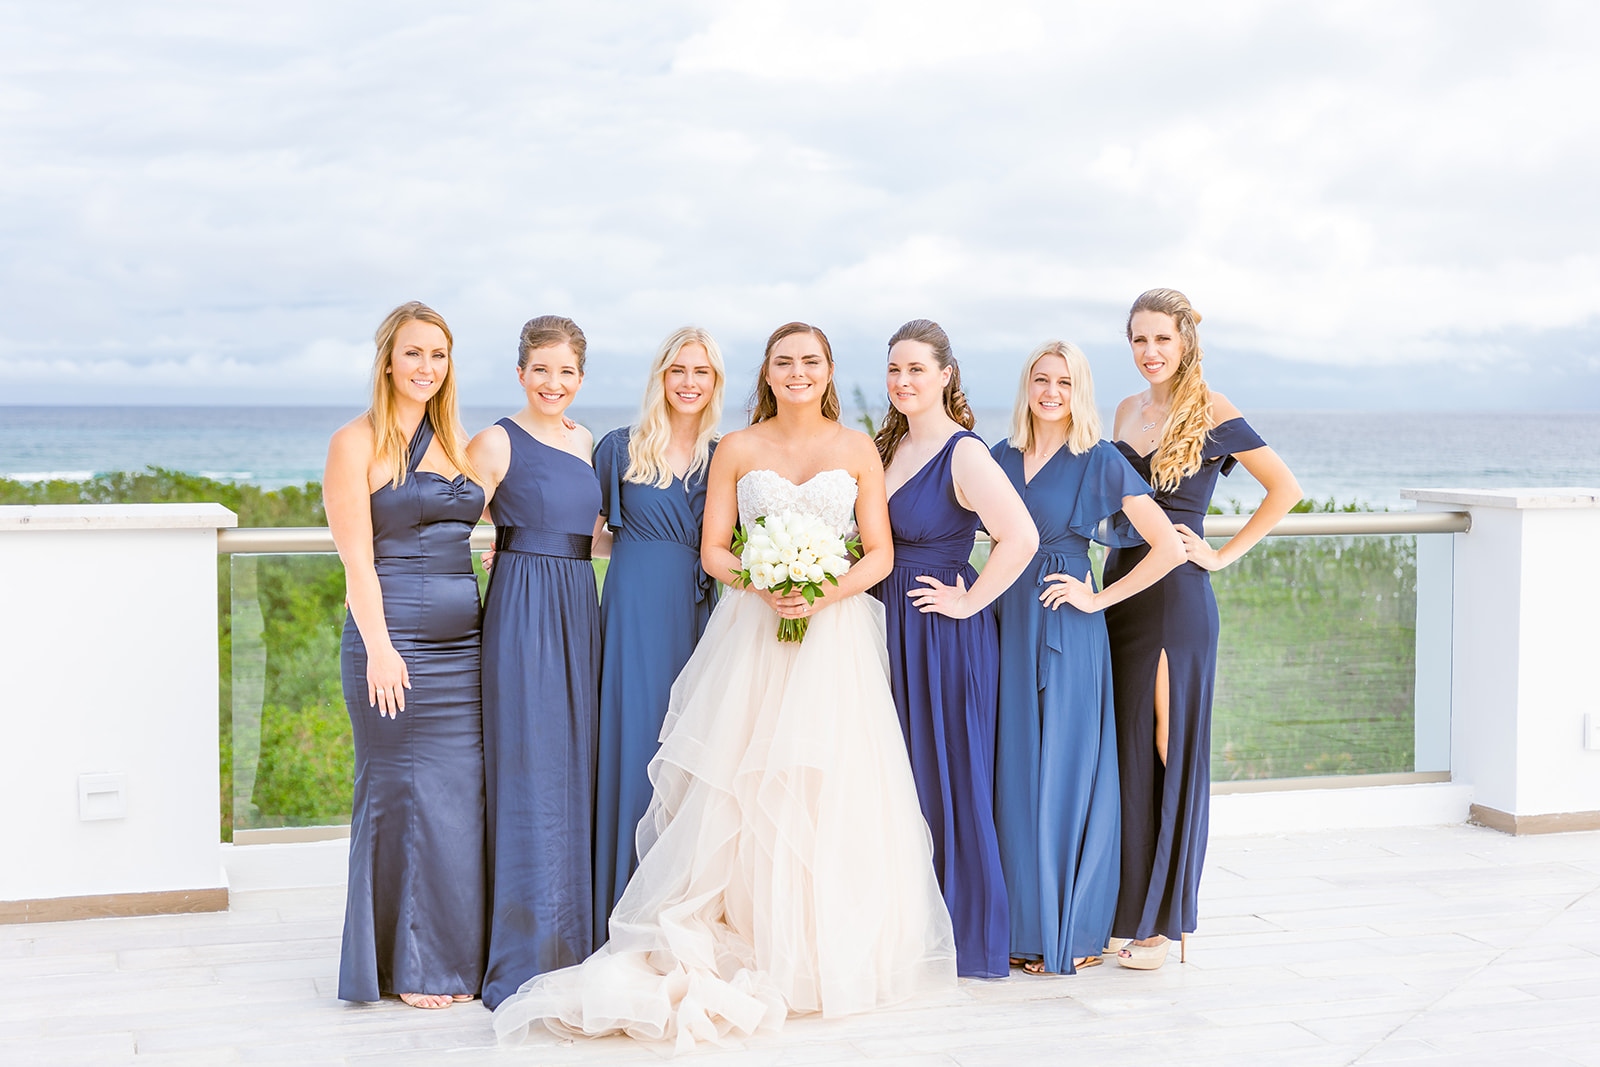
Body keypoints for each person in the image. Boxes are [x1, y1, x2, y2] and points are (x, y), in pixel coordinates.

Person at [493, 322, 956, 1052]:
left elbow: (881, 553)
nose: (797, 372)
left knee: (825, 785)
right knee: (739, 783)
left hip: (833, 638)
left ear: (827, 369)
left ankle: (817, 944)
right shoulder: (738, 448)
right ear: (767, 374)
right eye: (783, 362)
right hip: (753, 630)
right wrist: (770, 579)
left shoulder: (857, 446)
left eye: (810, 361)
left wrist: (821, 586)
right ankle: (743, 925)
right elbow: (713, 550)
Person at [1104, 289, 1301, 970]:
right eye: (1138, 340)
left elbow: (1285, 489)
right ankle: (1127, 909)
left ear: (1187, 338)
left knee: (1168, 745)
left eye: (1162, 338)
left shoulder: (1212, 409)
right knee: (1127, 747)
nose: (1150, 352)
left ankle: (1165, 920)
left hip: (1177, 595)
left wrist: (1222, 552)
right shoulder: (1128, 409)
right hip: (1119, 586)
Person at [990, 340, 1183, 976]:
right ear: (1026, 387)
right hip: (1005, 622)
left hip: (1068, 628)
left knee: (1066, 772)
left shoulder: (1096, 458)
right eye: (1041, 380)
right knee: (1014, 770)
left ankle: (1069, 930)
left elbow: (1167, 547)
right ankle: (1022, 929)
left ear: (1080, 393)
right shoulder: (999, 457)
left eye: (1065, 383)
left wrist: (1098, 598)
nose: (1051, 392)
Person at [325, 301, 488, 1009]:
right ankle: (408, 962)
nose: (427, 367)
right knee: (399, 793)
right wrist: (382, 649)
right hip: (394, 646)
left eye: (439, 355)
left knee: (458, 800)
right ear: (388, 359)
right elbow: (356, 561)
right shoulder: (354, 442)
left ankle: (457, 954)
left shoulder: (457, 442)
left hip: (467, 647)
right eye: (415, 353)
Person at [870, 319, 1037, 979]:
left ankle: (969, 938)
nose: (903, 381)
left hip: (941, 630)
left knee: (951, 777)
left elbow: (1018, 537)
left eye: (916, 369)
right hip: (888, 622)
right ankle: (911, 930)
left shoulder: (963, 453)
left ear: (946, 373)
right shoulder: (890, 448)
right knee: (900, 780)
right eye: (894, 370)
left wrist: (969, 602)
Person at [468, 315, 606, 1009]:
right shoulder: (495, 440)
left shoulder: (587, 442)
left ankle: (571, 940)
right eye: (542, 369)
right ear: (521, 372)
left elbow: (597, 539)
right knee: (527, 766)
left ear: (582, 379)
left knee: (574, 768)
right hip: (522, 608)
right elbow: (443, 522)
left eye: (567, 372)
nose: (554, 383)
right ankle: (523, 950)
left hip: (580, 607)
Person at [591, 326, 727, 943]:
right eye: (679, 370)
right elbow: (587, 532)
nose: (689, 383)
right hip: (632, 606)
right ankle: (618, 900)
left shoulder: (724, 454)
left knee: (687, 741)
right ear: (661, 377)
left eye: (701, 372)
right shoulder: (620, 448)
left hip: (696, 610)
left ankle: (676, 900)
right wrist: (513, 551)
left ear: (715, 381)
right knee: (631, 736)